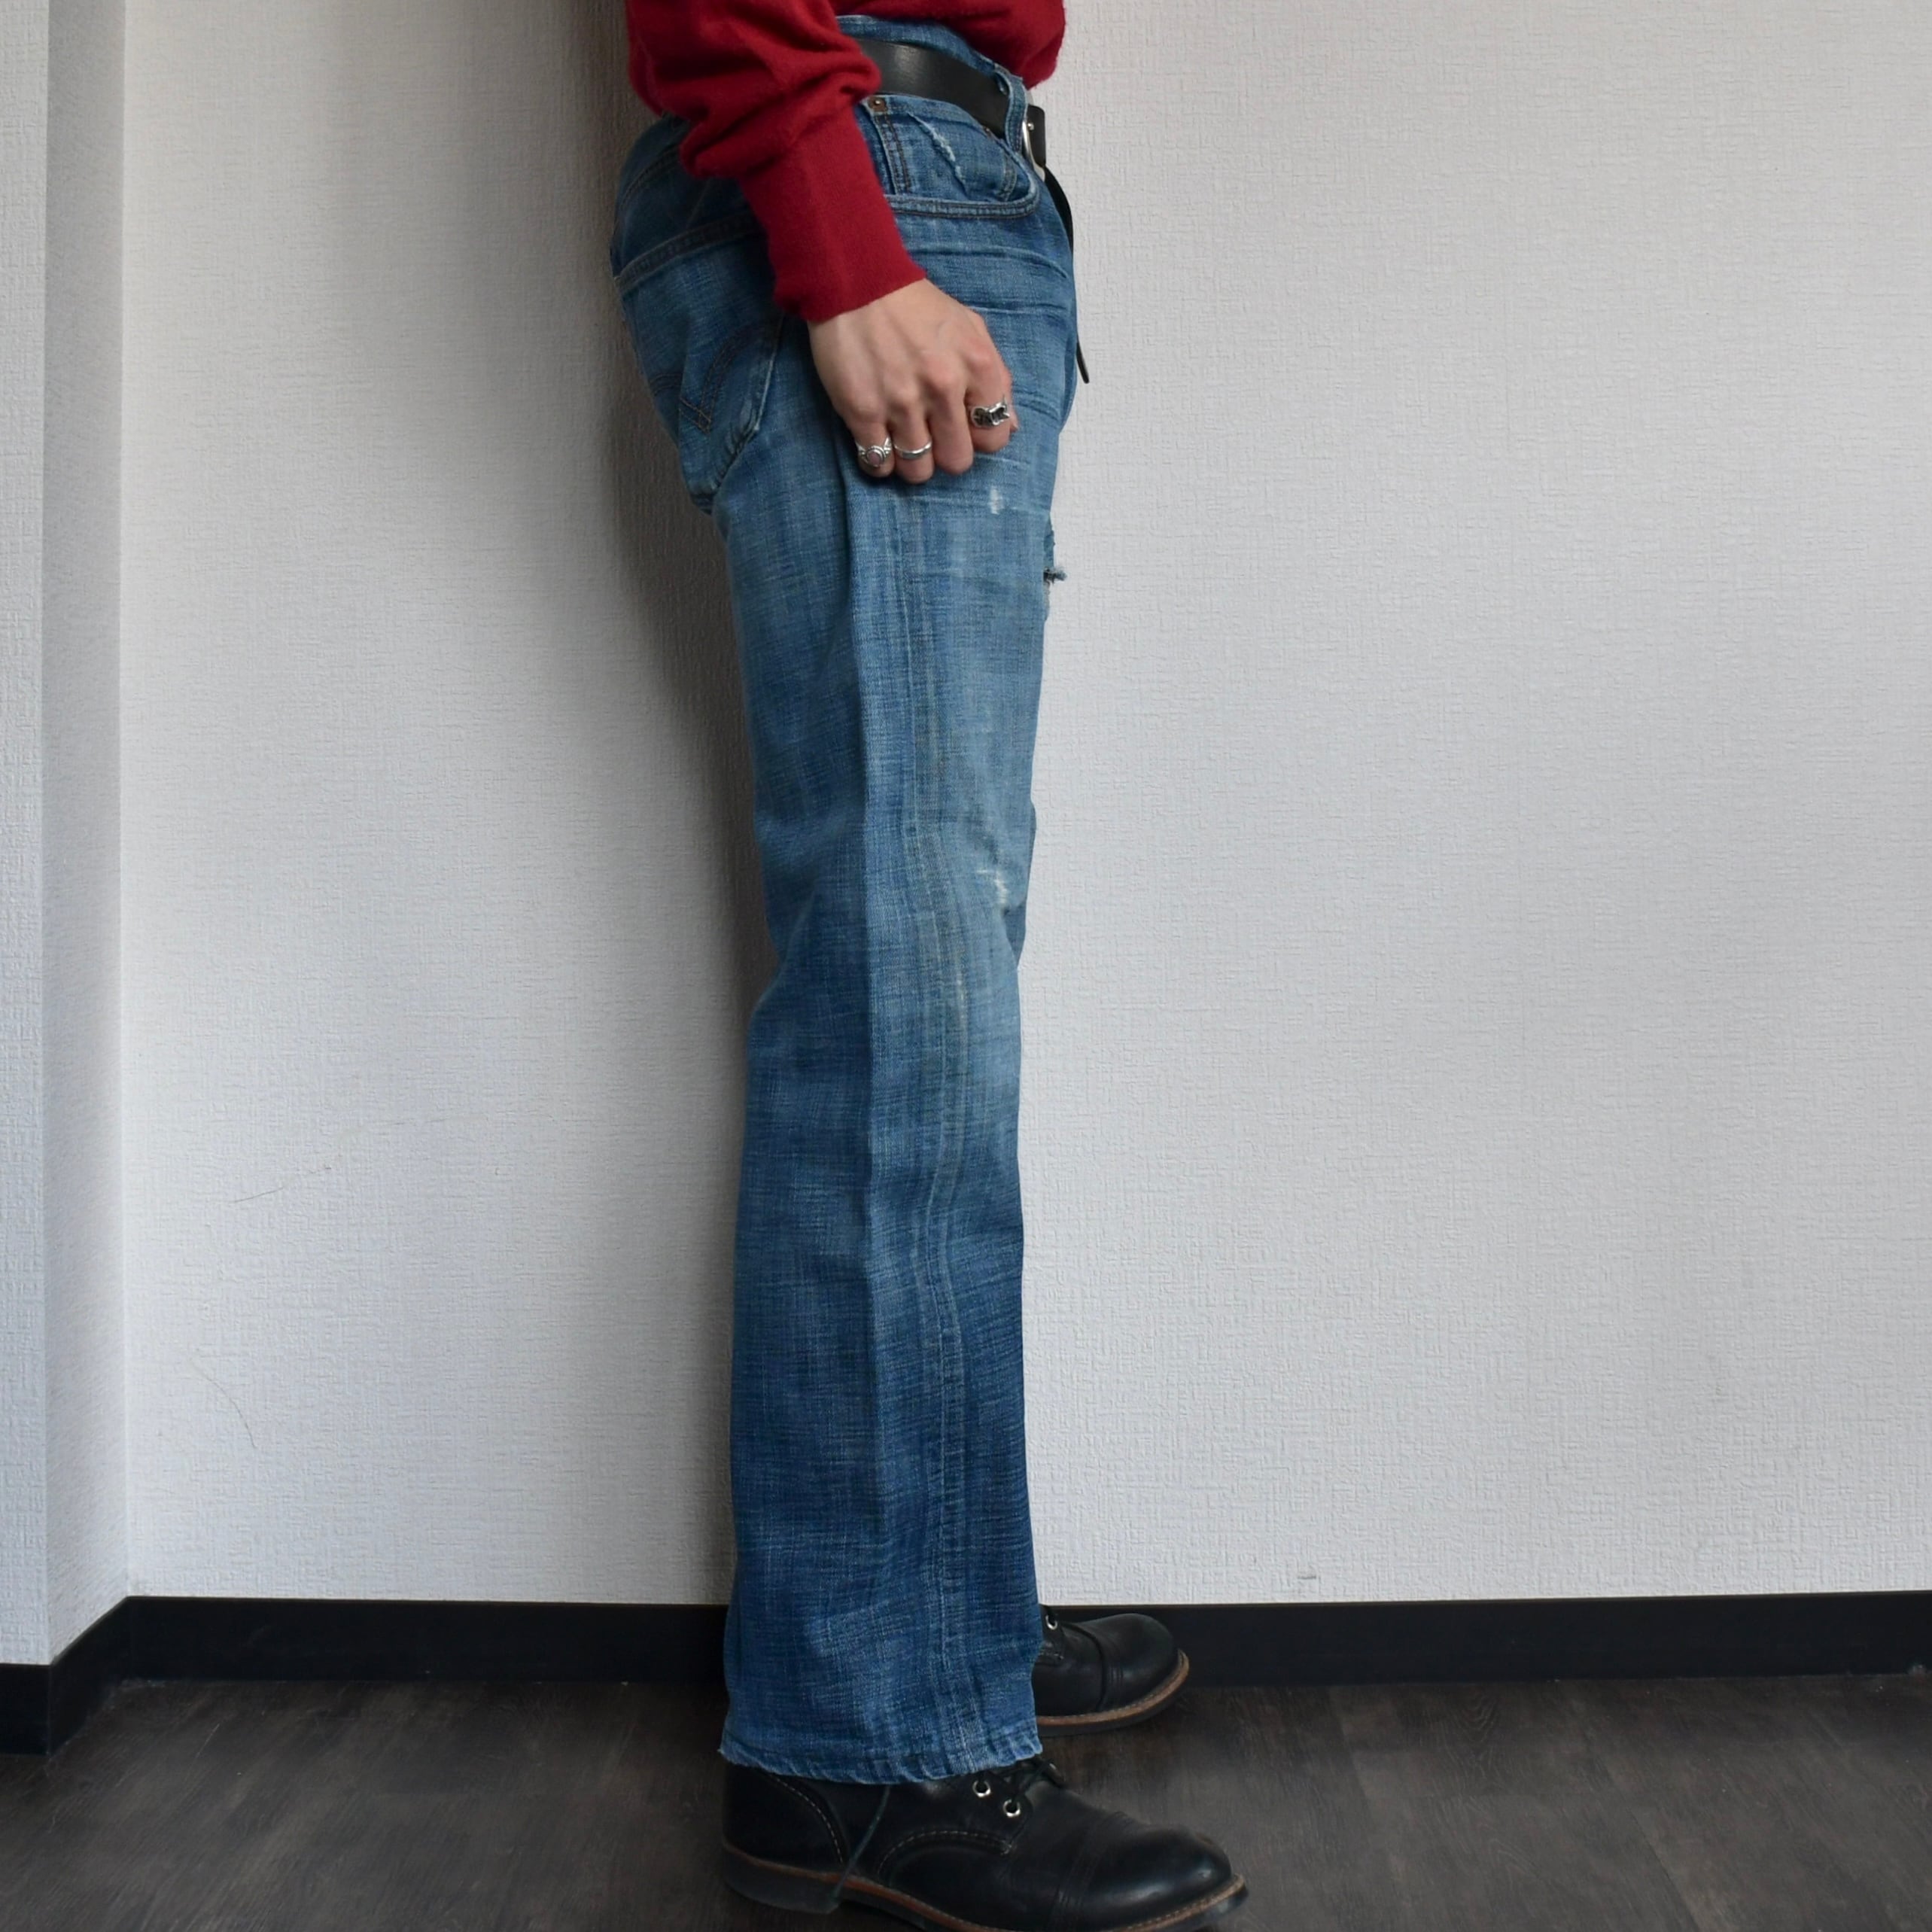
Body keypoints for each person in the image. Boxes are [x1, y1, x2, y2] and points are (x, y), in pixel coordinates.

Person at [612, 6, 1247, 1926]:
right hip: (867, 170)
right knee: (904, 1011)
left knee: (934, 977)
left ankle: (927, 1597)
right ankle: (872, 1738)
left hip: (932, 176)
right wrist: (841, 227)